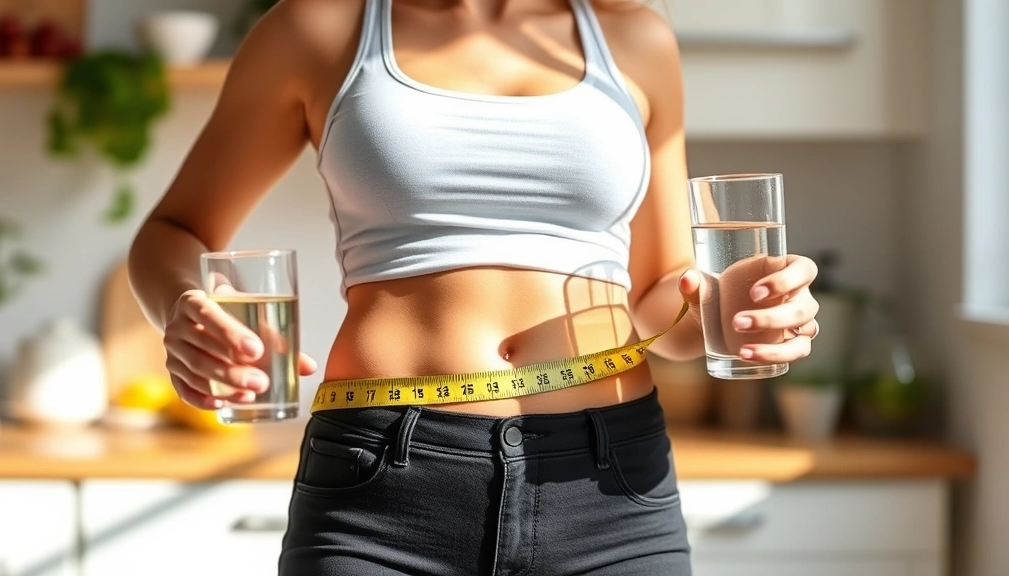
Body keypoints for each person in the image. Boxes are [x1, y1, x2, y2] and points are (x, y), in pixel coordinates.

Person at [128, 0, 820, 573]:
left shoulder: (635, 37)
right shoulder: (320, 28)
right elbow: (172, 231)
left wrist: (730, 311)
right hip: (382, 489)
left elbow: (662, 296)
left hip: (610, 489)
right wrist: (181, 308)